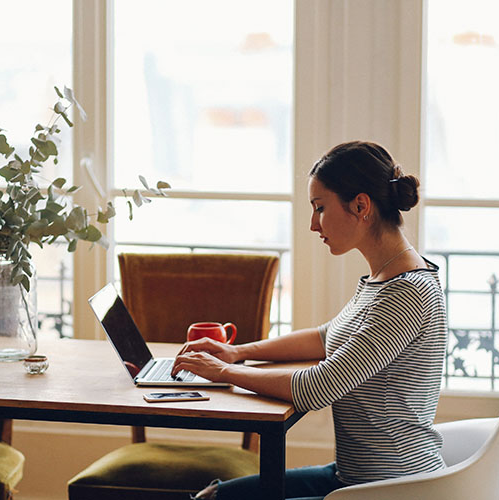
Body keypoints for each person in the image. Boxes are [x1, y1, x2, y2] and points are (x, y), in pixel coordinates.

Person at [172, 141, 448, 500]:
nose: (313, 224)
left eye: (320, 208)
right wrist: (237, 352)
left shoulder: (408, 294)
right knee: (214, 496)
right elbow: (324, 337)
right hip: (352, 476)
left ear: (361, 206)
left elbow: (317, 387)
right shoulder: (383, 280)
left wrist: (223, 373)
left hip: (389, 489)